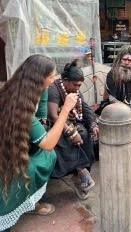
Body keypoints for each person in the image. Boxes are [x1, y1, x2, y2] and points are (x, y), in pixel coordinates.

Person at [0, 54, 77, 232]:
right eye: (52, 76)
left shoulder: (26, 89)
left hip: (15, 148)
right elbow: (47, 144)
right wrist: (65, 109)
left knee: (47, 156)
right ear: (39, 78)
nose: (55, 79)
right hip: (6, 159)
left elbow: (42, 111)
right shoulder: (20, 107)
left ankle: (30, 201)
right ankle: (22, 204)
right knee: (45, 157)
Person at [48, 60, 98, 200]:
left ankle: (81, 172)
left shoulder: (73, 90)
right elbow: (52, 116)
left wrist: (93, 124)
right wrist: (71, 132)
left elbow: (85, 108)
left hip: (69, 123)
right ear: (65, 80)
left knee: (86, 134)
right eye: (75, 85)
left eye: (79, 85)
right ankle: (79, 173)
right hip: (52, 126)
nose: (77, 88)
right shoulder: (53, 89)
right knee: (68, 139)